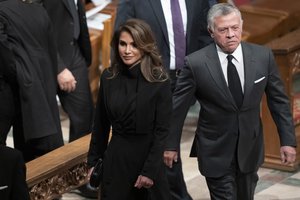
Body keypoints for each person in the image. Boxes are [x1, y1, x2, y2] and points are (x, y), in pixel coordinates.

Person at [164, 3, 297, 200]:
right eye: (223, 29)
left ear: (241, 26)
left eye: (235, 28)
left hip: (250, 149)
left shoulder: (262, 57)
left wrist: (287, 141)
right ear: (211, 32)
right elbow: (178, 109)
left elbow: (278, 101)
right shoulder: (196, 63)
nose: (231, 34)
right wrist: (170, 145)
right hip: (214, 150)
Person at [114, 1, 214, 199]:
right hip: (152, 80)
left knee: (164, 141)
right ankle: (177, 195)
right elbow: (121, 36)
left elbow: (206, 35)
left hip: (189, 78)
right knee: (164, 141)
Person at [87, 19, 172, 200]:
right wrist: (93, 162)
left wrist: (149, 171)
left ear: (145, 46)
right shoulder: (109, 77)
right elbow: (100, 125)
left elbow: (162, 132)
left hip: (147, 162)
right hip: (116, 160)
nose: (127, 51)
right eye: (123, 44)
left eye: (134, 45)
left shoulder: (159, 80)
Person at [0, 0, 64, 161]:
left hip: (13, 89)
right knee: (37, 146)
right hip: (42, 89)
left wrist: (21, 75)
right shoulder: (39, 10)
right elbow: (51, 51)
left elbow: (5, 55)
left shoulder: (2, 11)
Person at [42, 0, 94, 142]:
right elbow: (37, 23)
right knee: (46, 129)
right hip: (49, 57)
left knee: (85, 116)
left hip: (75, 50)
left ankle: (79, 163)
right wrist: (58, 67)